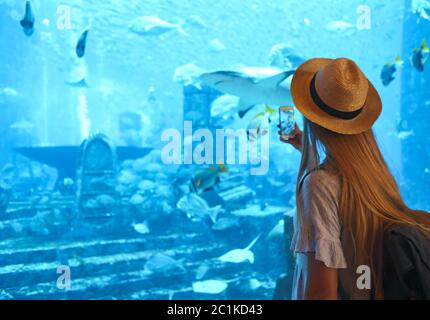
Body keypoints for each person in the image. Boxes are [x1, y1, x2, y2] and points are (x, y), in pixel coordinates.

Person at [278, 58, 430, 300]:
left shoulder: (318, 184)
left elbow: (321, 293)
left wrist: (312, 174)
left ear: (310, 116)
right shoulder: (375, 175)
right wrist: (306, 152)